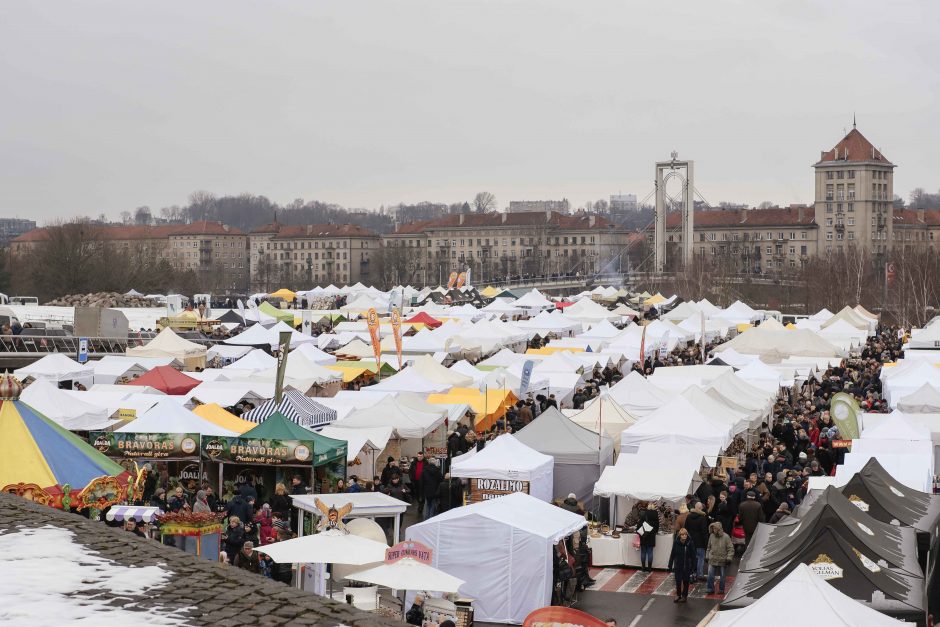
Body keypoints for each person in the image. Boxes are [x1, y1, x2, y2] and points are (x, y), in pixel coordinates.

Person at [667, 528, 696, 603]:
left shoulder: (690, 543)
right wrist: (670, 565)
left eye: (685, 534)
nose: (684, 536)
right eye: (682, 534)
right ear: (680, 535)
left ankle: (684, 596)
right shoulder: (676, 543)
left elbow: (693, 555)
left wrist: (693, 567)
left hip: (687, 566)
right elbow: (672, 554)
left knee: (686, 582)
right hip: (678, 566)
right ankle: (678, 595)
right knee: (678, 581)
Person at [705, 522, 734, 595]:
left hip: (722, 560)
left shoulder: (726, 537)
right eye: (713, 528)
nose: (714, 530)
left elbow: (730, 549)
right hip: (712, 559)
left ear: (718, 529)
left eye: (715, 528)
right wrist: (707, 556)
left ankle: (721, 589)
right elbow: (708, 547)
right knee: (710, 575)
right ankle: (710, 588)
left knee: (722, 576)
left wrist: (729, 558)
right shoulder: (711, 536)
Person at [684, 502, 709, 582]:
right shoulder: (702, 518)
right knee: (700, 558)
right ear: (701, 508)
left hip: (691, 541)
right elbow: (704, 532)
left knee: (692, 558)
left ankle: (692, 574)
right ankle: (700, 574)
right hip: (700, 542)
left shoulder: (688, 517)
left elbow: (686, 529)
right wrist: (707, 543)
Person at [638, 502, 660, 572]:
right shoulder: (656, 515)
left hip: (644, 535)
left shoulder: (644, 514)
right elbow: (657, 527)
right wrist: (654, 531)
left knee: (643, 552)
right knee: (650, 552)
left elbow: (639, 525)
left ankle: (643, 568)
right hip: (652, 535)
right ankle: (649, 568)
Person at [410, 451, 427, 516]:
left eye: (421, 456)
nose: (419, 458)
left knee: (422, 494)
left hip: (423, 481)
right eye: (418, 456)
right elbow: (410, 471)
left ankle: (421, 505)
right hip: (415, 480)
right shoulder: (414, 463)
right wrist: (411, 478)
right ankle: (419, 502)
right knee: (416, 493)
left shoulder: (426, 463)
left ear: (423, 456)